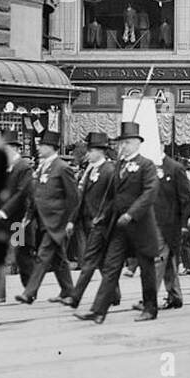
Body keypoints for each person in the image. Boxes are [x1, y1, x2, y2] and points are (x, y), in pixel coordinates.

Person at [77, 121, 161, 325]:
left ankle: (150, 308)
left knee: (146, 268)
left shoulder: (146, 165)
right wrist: (103, 216)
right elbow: (114, 198)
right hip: (119, 227)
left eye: (128, 143)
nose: (123, 147)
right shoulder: (118, 167)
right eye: (121, 143)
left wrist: (132, 213)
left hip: (140, 226)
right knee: (111, 266)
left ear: (137, 144)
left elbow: (150, 193)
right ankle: (98, 311)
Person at [15, 130, 79, 304]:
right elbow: (38, 195)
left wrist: (69, 221)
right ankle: (68, 291)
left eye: (42, 145)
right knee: (59, 258)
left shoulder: (62, 168)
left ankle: (29, 292)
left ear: (51, 147)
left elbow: (73, 198)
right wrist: (29, 216)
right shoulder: (43, 166)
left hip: (56, 221)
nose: (39, 148)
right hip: (41, 220)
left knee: (43, 255)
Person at [63, 132, 119, 310]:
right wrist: (73, 220)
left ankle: (75, 297)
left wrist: (103, 216)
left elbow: (115, 200)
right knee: (102, 262)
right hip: (87, 221)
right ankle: (114, 294)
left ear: (101, 152)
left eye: (92, 150)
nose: (89, 153)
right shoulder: (90, 169)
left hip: (101, 223)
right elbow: (81, 198)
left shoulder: (109, 171)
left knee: (89, 260)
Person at [145, 150, 190, 312]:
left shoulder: (175, 168)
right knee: (168, 259)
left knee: (157, 259)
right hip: (151, 221)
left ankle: (148, 298)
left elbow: (185, 198)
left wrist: (184, 223)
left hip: (170, 222)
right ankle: (175, 295)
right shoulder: (148, 166)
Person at [0, 129, 34, 302]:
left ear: (12, 149)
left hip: (19, 221)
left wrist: (4, 211)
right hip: (3, 221)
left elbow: (21, 193)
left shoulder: (23, 167)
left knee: (21, 255)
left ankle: (30, 289)